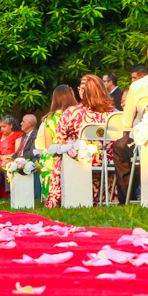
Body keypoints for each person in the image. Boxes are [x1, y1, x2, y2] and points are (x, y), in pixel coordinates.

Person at [110, 37, 148, 204]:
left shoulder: (139, 85)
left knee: (120, 147)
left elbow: (127, 123)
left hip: (147, 142)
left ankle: (128, 198)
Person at [46, 75, 115, 207]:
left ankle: (58, 199)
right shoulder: (113, 114)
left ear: (83, 92)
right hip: (106, 160)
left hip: (80, 159)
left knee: (63, 155)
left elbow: (60, 140)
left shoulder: (72, 112)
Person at [36, 85, 78, 200]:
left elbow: (49, 146)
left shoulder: (49, 119)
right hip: (78, 153)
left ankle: (51, 195)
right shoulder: (78, 115)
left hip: (55, 157)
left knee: (46, 158)